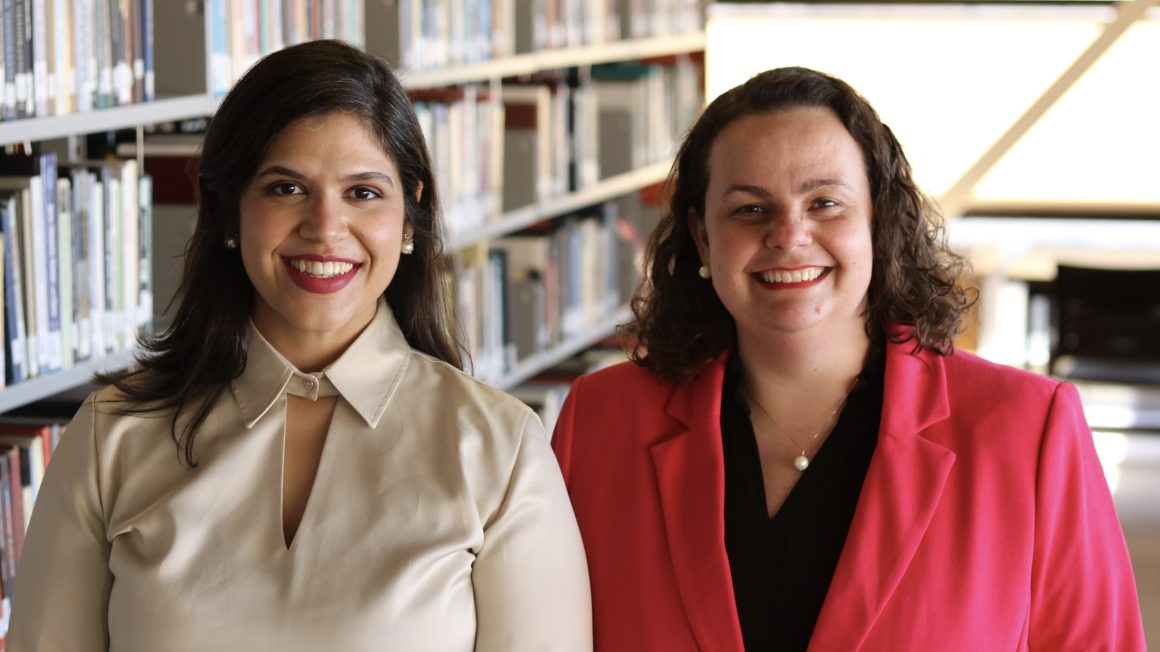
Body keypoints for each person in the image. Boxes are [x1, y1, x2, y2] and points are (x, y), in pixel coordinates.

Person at [9, 40, 590, 651]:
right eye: (286, 188)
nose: (324, 227)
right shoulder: (111, 436)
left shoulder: (501, 449)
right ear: (229, 210)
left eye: (363, 193)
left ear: (410, 214)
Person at [550, 66, 1145, 651]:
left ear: (878, 222)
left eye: (826, 203)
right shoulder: (598, 425)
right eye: (749, 210)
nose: (789, 235)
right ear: (703, 237)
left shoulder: (1027, 429)